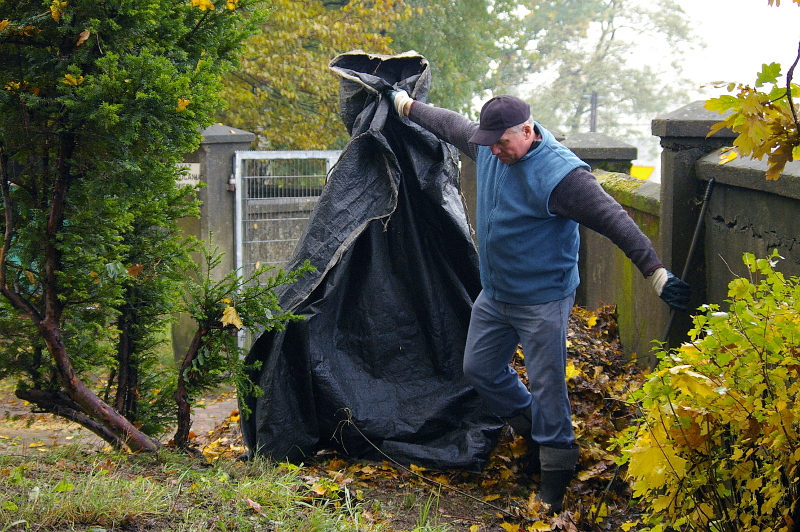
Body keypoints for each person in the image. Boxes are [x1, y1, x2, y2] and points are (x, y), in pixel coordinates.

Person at [387, 90, 691, 513]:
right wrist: (402, 102)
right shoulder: (491, 146)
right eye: (488, 142)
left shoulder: (561, 175)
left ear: (528, 131)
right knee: (479, 368)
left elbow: (615, 220)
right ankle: (531, 425)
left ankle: (556, 471)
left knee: (549, 386)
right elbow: (446, 122)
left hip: (543, 299)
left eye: (502, 143)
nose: (493, 151)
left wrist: (656, 274)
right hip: (495, 294)